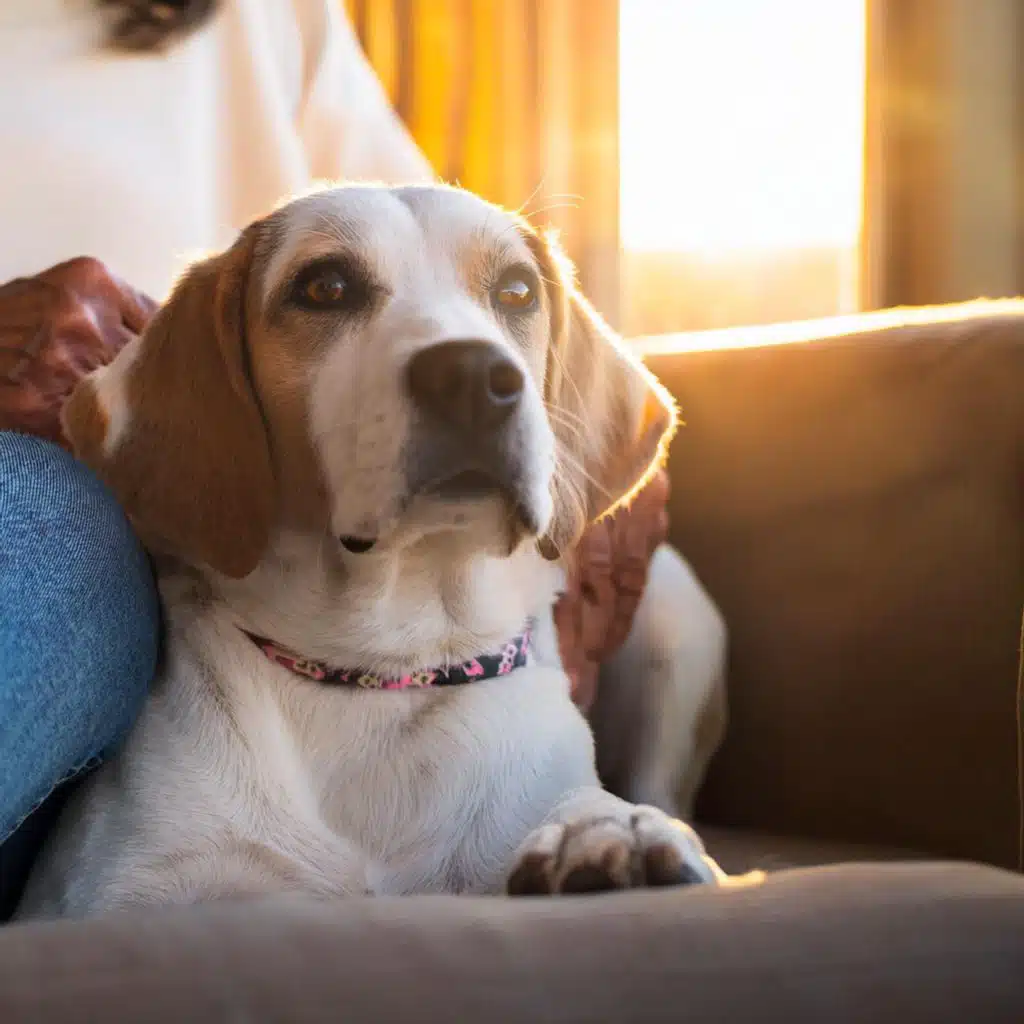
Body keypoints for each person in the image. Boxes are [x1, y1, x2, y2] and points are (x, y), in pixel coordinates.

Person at [0, 0, 678, 919]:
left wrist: (594, 476)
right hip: (102, 552)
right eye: (330, 287)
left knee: (682, 608)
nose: (468, 358)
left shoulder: (264, 18)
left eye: (511, 294)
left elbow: (429, 238)